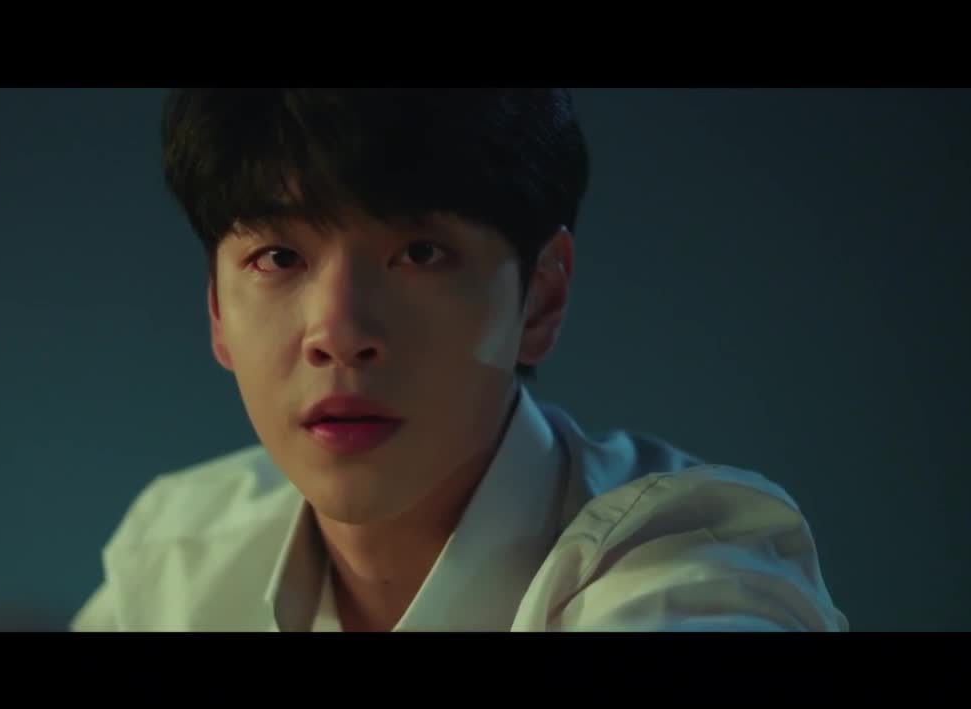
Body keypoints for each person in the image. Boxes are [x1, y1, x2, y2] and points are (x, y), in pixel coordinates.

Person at [69, 88, 849, 632]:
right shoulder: (176, 555)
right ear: (217, 311)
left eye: (419, 252)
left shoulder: (687, 563)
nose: (338, 333)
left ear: (540, 298)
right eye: (278, 257)